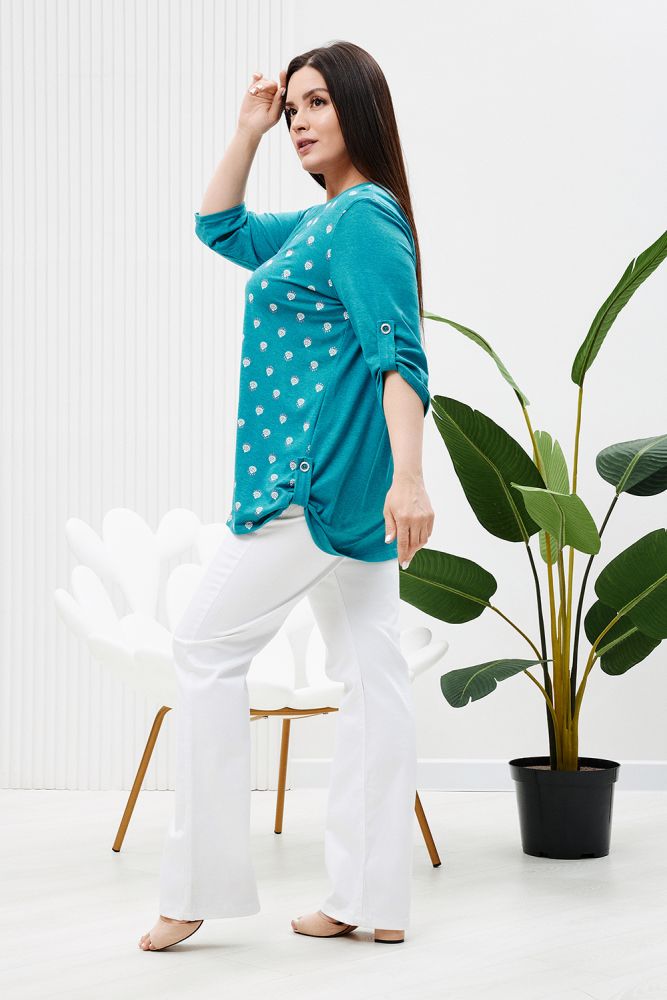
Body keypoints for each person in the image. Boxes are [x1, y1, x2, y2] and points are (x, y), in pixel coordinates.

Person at [139, 40, 434, 953]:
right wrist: (249, 128)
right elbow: (218, 227)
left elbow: (399, 354)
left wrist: (412, 478)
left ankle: (198, 888)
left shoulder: (362, 219)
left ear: (360, 111)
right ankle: (371, 898)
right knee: (372, 680)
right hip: (347, 490)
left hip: (313, 487)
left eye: (317, 104)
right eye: (294, 106)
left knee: (202, 644)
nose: (300, 120)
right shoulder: (322, 222)